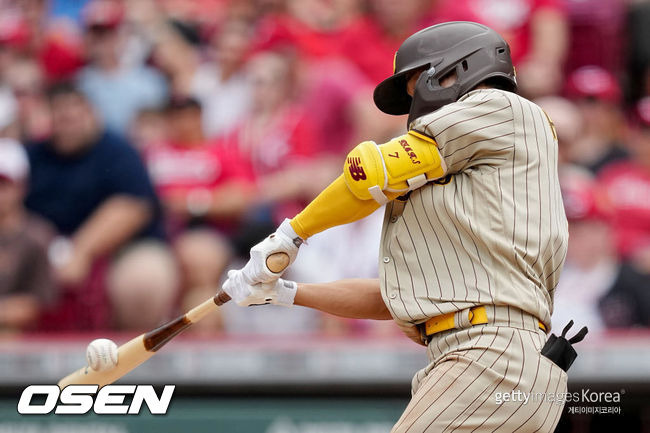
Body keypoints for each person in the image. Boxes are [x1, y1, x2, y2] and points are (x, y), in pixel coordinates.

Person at [222, 22, 570, 431]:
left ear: (454, 71)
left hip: (488, 354)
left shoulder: (501, 107)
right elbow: (392, 297)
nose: (411, 100)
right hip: (499, 358)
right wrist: (284, 294)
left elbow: (368, 173)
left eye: (413, 84)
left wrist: (291, 234)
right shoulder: (467, 191)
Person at [25, 83, 176, 331]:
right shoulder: (32, 155)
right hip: (45, 246)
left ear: (91, 113)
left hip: (124, 247)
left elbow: (132, 208)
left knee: (144, 281)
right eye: (61, 116)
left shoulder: (118, 151)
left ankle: (130, 359)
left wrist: (81, 251)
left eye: (76, 114)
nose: (69, 122)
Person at [0, 138, 56, 332]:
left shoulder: (37, 236)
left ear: (21, 186)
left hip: (20, 337)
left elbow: (39, 304)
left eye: (3, 184)